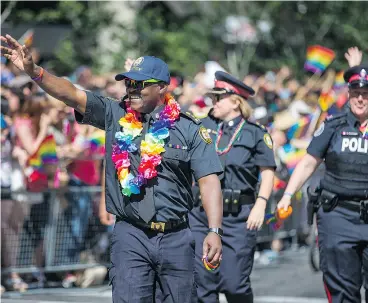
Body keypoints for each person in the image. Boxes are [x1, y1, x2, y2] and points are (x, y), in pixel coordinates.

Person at [1, 34, 224, 303]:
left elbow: (208, 180)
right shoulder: (115, 114)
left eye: (142, 84)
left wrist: (214, 230)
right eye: (129, 82)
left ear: (163, 87)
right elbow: (70, 93)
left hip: (176, 236)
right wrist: (35, 72)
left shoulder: (189, 129)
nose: (133, 88)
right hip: (131, 235)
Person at [277, 63, 368, 303]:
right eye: (355, 93)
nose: (360, 99)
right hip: (339, 216)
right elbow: (307, 163)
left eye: (366, 94)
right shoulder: (333, 125)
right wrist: (287, 195)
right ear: (348, 94)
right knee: (343, 292)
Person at [189, 71, 276, 303]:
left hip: (238, 217)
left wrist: (261, 203)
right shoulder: (202, 126)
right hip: (201, 215)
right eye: (212, 98)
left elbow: (268, 172)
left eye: (219, 98)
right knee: (203, 284)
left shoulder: (255, 133)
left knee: (234, 283)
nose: (213, 103)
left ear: (236, 101)